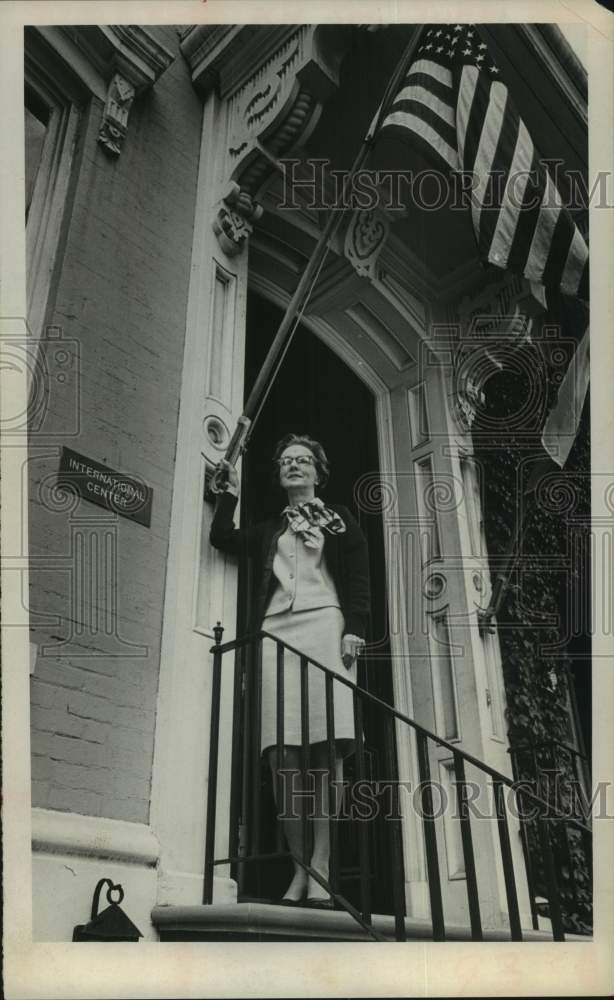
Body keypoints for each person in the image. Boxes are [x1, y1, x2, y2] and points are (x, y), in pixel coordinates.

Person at [210, 434, 370, 907]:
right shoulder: (268, 530)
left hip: (325, 629)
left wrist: (354, 628)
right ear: (279, 474)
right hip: (275, 635)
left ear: (319, 472)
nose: (293, 466)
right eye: (286, 461)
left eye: (303, 460)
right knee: (282, 757)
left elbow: (359, 578)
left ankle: (321, 865)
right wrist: (228, 495)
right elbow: (222, 538)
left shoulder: (341, 522)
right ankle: (299, 868)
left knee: (325, 753)